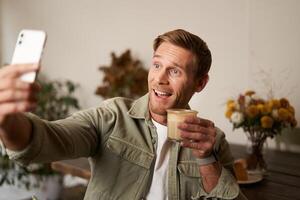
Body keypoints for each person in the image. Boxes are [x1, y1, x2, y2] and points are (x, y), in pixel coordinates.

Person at [0, 29, 247, 200]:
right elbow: (45, 140)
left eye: (175, 71)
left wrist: (206, 161)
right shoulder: (113, 116)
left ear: (200, 83)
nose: (159, 78)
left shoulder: (212, 142)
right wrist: (7, 120)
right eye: (157, 65)